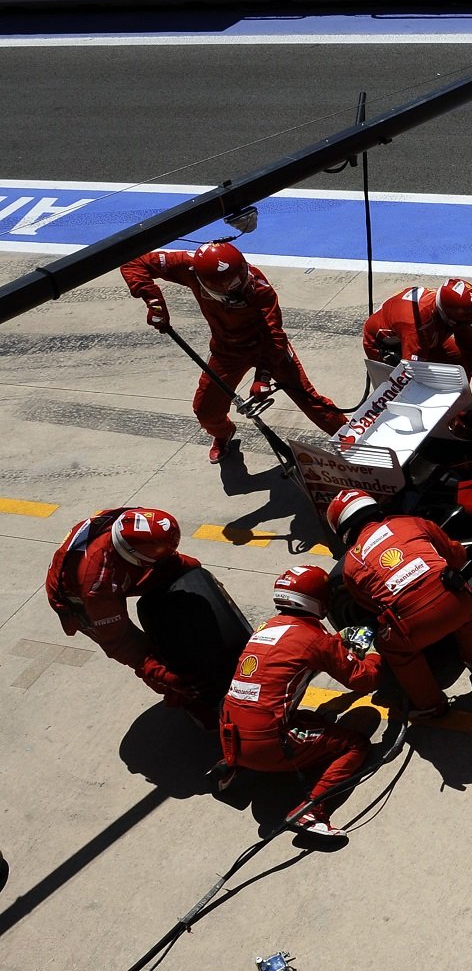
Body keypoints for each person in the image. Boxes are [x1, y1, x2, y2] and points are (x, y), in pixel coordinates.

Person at [121, 241, 346, 462]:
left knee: (311, 402)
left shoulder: (260, 289)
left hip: (267, 347)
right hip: (227, 350)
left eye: (241, 279)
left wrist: (264, 376)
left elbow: (274, 336)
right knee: (206, 410)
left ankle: (354, 440)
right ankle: (223, 433)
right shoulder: (188, 266)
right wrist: (154, 301)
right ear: (202, 280)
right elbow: (132, 262)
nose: (240, 289)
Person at [219, 566, 383, 843]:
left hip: (230, 736)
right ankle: (311, 811)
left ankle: (234, 766)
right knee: (355, 744)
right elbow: (363, 680)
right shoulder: (315, 639)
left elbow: (297, 654)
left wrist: (335, 643)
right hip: (268, 745)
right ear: (319, 600)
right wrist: (376, 654)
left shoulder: (266, 628)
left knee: (309, 719)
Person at [329, 489, 472, 721]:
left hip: (411, 625)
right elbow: (457, 556)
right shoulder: (410, 523)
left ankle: (431, 705)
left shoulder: (351, 564)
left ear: (343, 530)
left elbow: (371, 605)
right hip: (455, 601)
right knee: (471, 614)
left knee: (391, 648)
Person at [44, 507, 216, 726]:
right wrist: (163, 675)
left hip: (112, 567)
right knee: (151, 661)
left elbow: (174, 562)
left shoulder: (134, 521)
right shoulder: (98, 587)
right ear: (135, 558)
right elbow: (121, 642)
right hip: (77, 600)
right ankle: (190, 703)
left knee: (188, 568)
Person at [361, 278, 472, 384]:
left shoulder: (455, 311)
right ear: (448, 317)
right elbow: (412, 373)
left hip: (419, 335)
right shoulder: (417, 326)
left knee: (459, 365)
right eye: (463, 324)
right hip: (383, 345)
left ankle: (460, 411)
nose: (466, 328)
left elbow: (471, 348)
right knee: (401, 391)